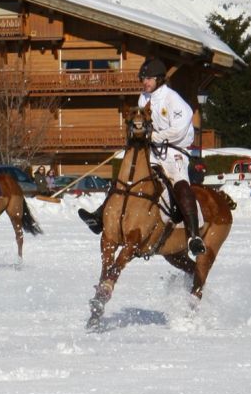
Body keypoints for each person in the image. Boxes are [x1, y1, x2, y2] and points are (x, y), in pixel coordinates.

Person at [78, 57, 205, 256]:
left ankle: (194, 236)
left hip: (174, 151)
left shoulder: (172, 99)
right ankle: (99, 216)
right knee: (127, 177)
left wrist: (156, 136)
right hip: (153, 149)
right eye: (143, 79)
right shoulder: (143, 98)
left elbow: (180, 128)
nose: (145, 82)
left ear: (160, 79)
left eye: (149, 79)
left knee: (180, 184)